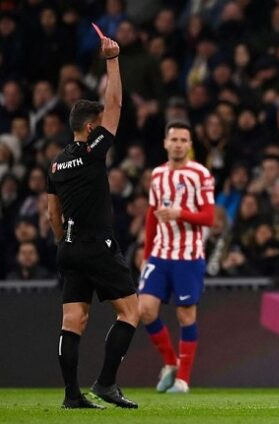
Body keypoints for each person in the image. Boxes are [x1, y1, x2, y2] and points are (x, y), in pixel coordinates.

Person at [46, 33, 139, 409]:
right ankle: (104, 383)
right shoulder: (90, 152)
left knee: (73, 321)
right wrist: (113, 61)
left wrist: (64, 242)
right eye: (99, 125)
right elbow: (115, 104)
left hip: (69, 247)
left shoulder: (57, 162)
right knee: (131, 313)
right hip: (97, 245)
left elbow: (53, 214)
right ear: (89, 129)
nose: (105, 128)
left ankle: (72, 397)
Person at [138, 120, 215, 394]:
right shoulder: (157, 175)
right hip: (160, 253)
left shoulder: (201, 175)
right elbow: (151, 214)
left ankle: (182, 380)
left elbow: (209, 217)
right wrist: (146, 254)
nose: (179, 144)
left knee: (185, 315)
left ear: (190, 145)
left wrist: (180, 213)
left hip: (188, 256)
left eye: (184, 140)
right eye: (174, 139)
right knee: (144, 309)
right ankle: (170, 363)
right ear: (166, 143)